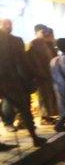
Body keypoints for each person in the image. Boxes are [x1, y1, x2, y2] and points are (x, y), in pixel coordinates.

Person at [0, 18, 46, 146]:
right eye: (6, 24)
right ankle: (33, 137)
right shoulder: (16, 40)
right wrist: (30, 78)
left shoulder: (16, 40)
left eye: (10, 24)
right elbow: (22, 62)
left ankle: (32, 135)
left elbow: (23, 62)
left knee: (21, 107)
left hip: (13, 80)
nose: (9, 26)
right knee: (24, 108)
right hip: (14, 80)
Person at [27, 24, 59, 124]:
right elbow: (32, 61)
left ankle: (50, 115)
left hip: (49, 72)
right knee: (43, 96)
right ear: (36, 32)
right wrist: (38, 73)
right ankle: (45, 117)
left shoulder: (47, 43)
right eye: (42, 31)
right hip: (40, 74)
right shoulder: (33, 44)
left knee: (50, 95)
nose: (45, 33)